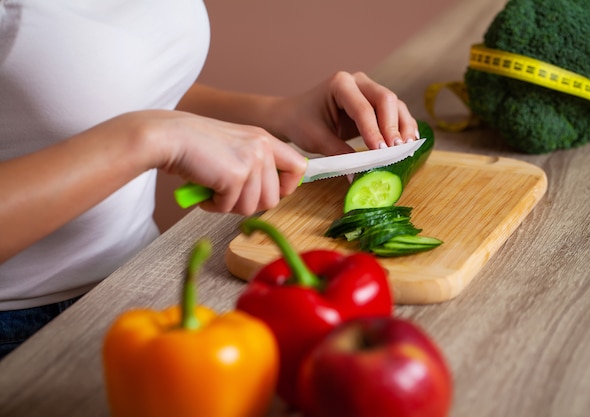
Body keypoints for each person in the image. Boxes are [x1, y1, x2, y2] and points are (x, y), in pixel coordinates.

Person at [0, 0, 418, 359]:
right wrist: (153, 138)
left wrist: (278, 114)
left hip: (141, 281)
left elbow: (92, 80)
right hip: (20, 332)